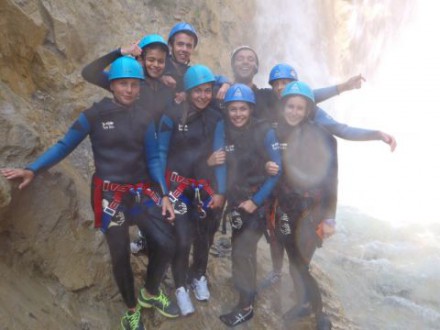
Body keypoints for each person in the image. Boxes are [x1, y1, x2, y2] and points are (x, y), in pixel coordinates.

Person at [1, 57, 179, 330]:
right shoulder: (94, 115)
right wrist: (32, 169)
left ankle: (150, 293)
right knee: (120, 255)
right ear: (112, 85)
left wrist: (164, 194)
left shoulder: (145, 118)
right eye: (123, 84)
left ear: (140, 87)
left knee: (167, 243)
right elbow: (64, 146)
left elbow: (154, 159)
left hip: (140, 192)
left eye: (134, 85)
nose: (129, 90)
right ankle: (131, 309)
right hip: (110, 196)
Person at [261, 63, 397, 290]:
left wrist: (375, 134)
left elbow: (341, 130)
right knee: (275, 232)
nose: (281, 87)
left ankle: (301, 280)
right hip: (278, 183)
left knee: (298, 240)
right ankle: (277, 272)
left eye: (285, 83)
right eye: (276, 84)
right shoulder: (275, 105)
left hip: (301, 187)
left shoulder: (308, 113)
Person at [211, 84, 282, 327]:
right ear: (227, 109)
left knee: (244, 249)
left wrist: (255, 201)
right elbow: (220, 163)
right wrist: (222, 193)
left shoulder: (265, 131)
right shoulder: (223, 127)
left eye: (243, 108)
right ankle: (244, 286)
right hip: (235, 199)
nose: (238, 114)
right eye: (233, 109)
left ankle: (246, 305)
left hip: (257, 200)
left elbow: (276, 172)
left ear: (251, 109)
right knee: (238, 244)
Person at [157, 64, 225, 316]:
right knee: (184, 238)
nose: (203, 96)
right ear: (187, 91)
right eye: (198, 91)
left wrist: (221, 190)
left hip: (204, 188)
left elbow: (219, 157)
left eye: (208, 90)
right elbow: (162, 153)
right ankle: (181, 287)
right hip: (178, 188)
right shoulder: (172, 115)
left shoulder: (216, 117)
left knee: (205, 237)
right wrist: (162, 191)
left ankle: (199, 275)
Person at [270, 81, 338, 330]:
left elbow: (332, 180)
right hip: (286, 208)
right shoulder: (276, 133)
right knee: (294, 259)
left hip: (312, 211)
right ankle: (303, 303)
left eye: (300, 107)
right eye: (290, 106)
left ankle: (320, 314)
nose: (294, 112)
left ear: (309, 110)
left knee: (300, 262)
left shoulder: (324, 138)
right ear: (283, 107)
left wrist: (329, 217)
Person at [81, 33, 174, 123]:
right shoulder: (125, 83)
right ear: (140, 59)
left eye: (161, 61)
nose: (156, 65)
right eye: (151, 60)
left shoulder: (166, 86)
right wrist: (120, 52)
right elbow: (89, 73)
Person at [161, 22, 230, 100]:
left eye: (189, 46)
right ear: (171, 45)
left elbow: (212, 78)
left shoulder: (189, 72)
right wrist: (161, 78)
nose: (184, 49)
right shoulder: (160, 65)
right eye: (180, 44)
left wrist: (226, 83)